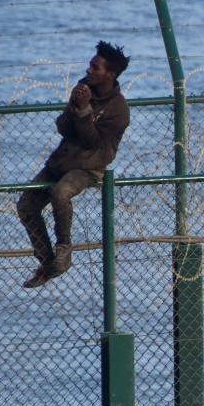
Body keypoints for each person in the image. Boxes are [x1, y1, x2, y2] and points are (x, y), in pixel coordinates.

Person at [17, 41, 130, 288]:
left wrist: (83, 111)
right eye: (90, 65)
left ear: (109, 74)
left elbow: (93, 142)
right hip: (62, 161)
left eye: (95, 67)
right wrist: (75, 108)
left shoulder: (119, 109)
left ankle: (64, 251)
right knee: (26, 206)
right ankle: (48, 262)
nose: (89, 70)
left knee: (61, 192)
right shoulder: (83, 89)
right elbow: (63, 128)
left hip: (88, 167)